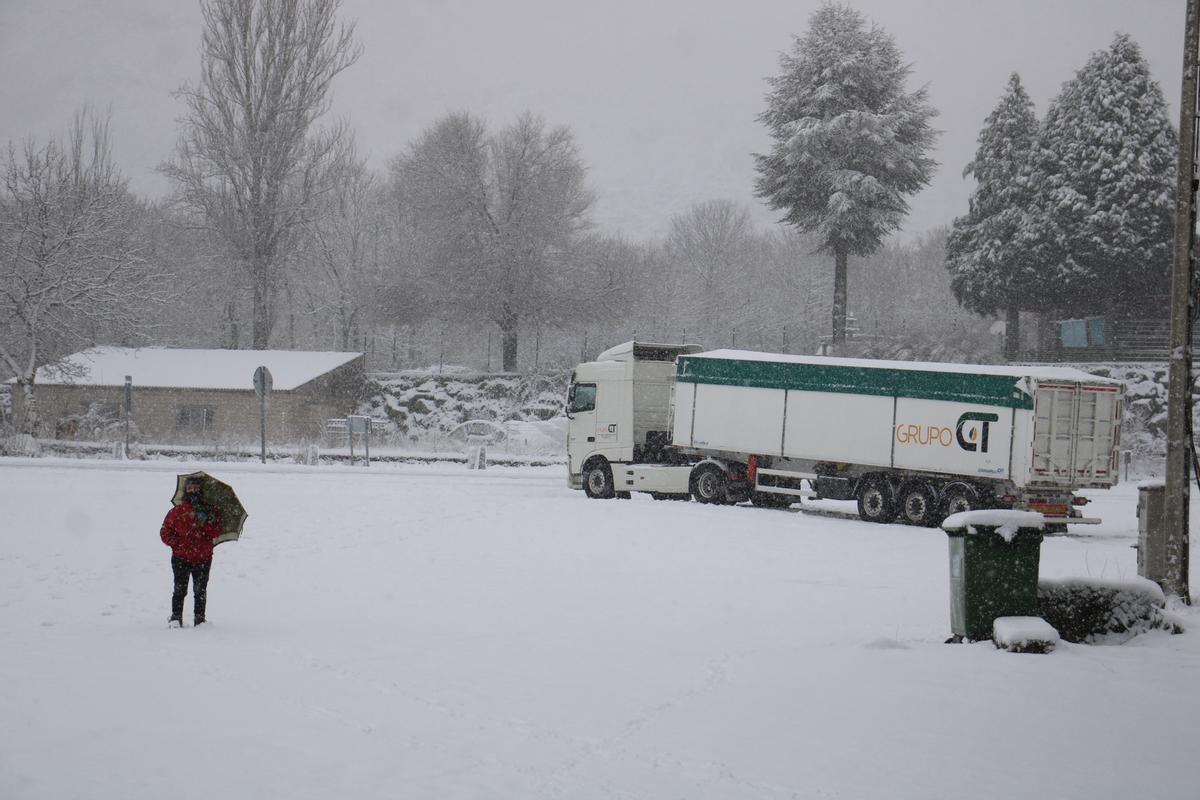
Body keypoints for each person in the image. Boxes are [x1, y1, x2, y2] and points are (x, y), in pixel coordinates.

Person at [160, 477, 223, 627]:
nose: (193, 491)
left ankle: (199, 619)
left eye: (196, 488)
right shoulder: (176, 511)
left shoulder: (210, 510)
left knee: (200, 591)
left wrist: (205, 522)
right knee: (179, 590)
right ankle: (176, 618)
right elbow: (164, 532)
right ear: (185, 491)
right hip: (180, 557)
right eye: (190, 488)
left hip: (203, 558)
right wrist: (177, 544)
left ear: (201, 490)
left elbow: (216, 531)